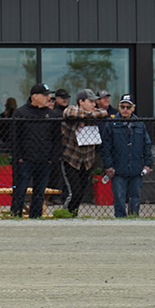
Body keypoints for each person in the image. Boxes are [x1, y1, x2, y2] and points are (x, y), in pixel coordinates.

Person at [10, 83, 58, 218]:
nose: (48, 98)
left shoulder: (51, 115)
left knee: (39, 192)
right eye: (45, 95)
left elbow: (56, 138)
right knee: (20, 190)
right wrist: (18, 156)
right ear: (35, 96)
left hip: (44, 160)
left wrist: (51, 158)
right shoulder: (20, 113)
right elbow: (15, 137)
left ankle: (35, 216)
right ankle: (16, 214)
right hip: (25, 159)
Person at [61, 88, 110, 216]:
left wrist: (89, 114)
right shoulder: (71, 110)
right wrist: (89, 114)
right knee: (74, 192)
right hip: (71, 159)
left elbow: (104, 113)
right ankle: (65, 213)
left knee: (81, 192)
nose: (94, 105)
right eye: (91, 102)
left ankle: (73, 214)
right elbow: (70, 112)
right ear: (81, 101)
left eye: (95, 102)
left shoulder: (93, 112)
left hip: (87, 160)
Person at [102, 94, 152, 217]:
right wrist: (108, 165)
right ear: (119, 107)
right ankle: (120, 221)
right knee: (119, 198)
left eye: (128, 107)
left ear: (133, 108)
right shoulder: (112, 124)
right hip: (118, 168)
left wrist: (148, 164)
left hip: (136, 167)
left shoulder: (140, 124)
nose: (125, 110)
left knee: (135, 197)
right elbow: (106, 147)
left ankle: (134, 219)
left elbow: (147, 145)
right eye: (122, 107)